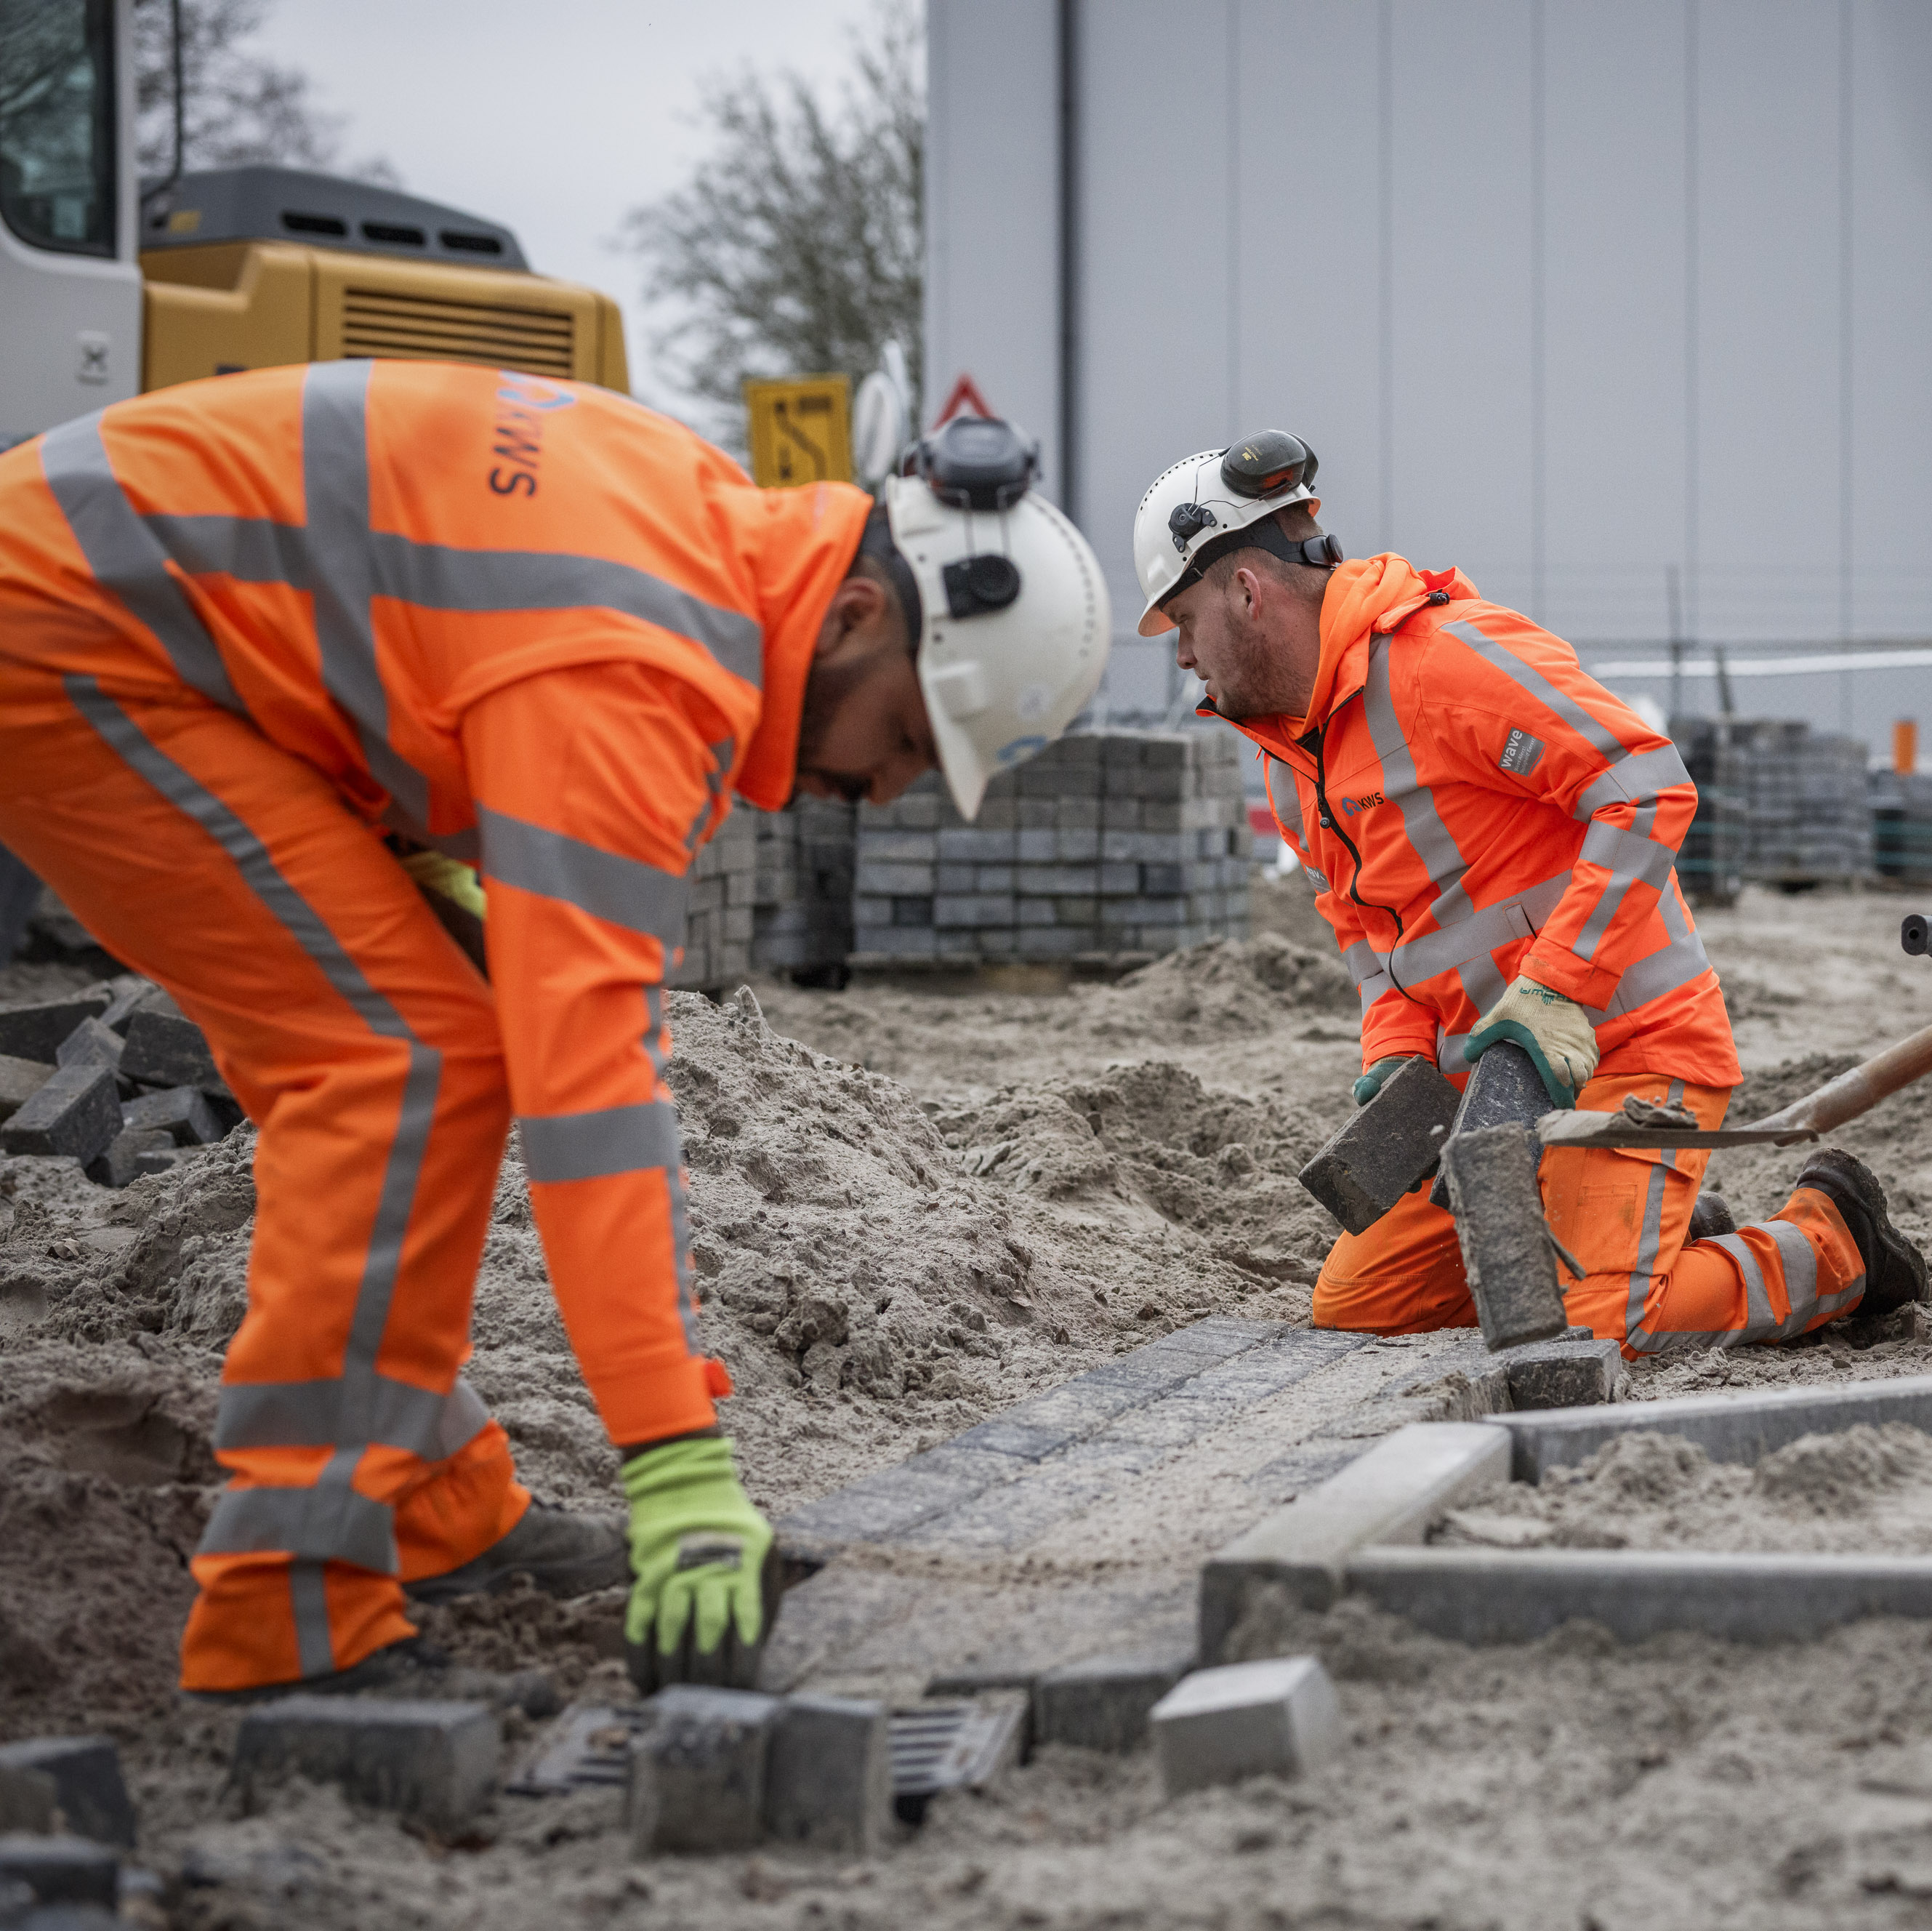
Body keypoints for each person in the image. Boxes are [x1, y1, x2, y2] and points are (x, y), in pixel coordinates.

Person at [0, 366, 1108, 1697]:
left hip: (139, 622)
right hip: (69, 632)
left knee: (427, 1032)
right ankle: (285, 1615)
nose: (888, 789)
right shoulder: (640, 669)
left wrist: (431, 852)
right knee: (398, 1064)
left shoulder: (698, 534)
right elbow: (594, 1103)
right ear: (860, 612)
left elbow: (391, 628)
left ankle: (429, 1504)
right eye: (915, 740)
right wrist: (678, 1465)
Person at [1130, 433, 1927, 1353]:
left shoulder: (1445, 660)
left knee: (1598, 1329)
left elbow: (1645, 786)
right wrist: (1396, 1052)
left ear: (1244, 587)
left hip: (1631, 1047)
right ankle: (1633, 1228)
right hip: (1485, 1092)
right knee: (1362, 1308)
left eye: (1183, 621)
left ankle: (1835, 1245)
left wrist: (1557, 989)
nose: (1183, 654)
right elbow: (1365, 934)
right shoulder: (1290, 759)